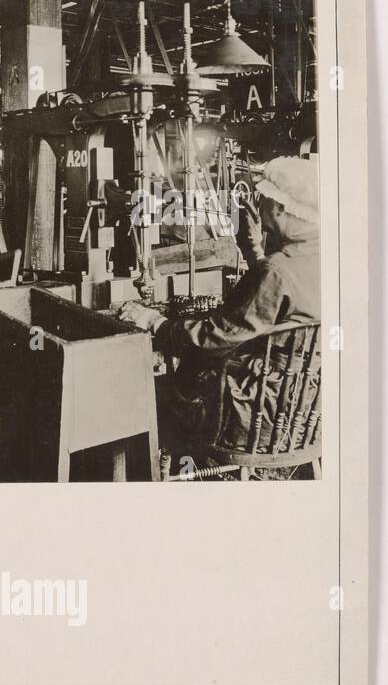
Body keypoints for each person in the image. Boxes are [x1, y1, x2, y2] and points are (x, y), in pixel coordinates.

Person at [116, 156, 320, 465]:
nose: (258, 205)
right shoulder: (328, 257)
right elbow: (278, 292)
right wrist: (254, 250)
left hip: (251, 416)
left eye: (263, 198)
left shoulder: (276, 272)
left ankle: (162, 479)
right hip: (304, 415)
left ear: (280, 207)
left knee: (151, 394)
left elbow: (216, 336)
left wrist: (156, 322)